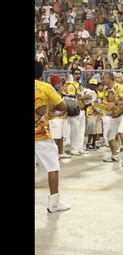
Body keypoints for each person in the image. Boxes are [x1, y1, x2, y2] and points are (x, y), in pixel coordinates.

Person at [35, 61, 71, 213]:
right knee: (53, 168)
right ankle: (54, 203)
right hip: (40, 135)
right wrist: (50, 108)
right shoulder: (45, 87)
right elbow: (63, 106)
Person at [101, 72, 123, 166]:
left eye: (103, 78)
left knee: (121, 131)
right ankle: (114, 156)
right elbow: (107, 105)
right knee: (110, 136)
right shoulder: (105, 90)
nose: (102, 80)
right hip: (114, 116)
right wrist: (100, 108)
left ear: (109, 79)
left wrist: (114, 104)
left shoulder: (120, 88)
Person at [67, 68, 91, 156]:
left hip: (81, 109)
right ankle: (74, 149)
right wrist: (84, 97)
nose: (78, 75)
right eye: (76, 73)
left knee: (81, 130)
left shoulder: (80, 85)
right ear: (72, 75)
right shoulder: (71, 85)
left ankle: (80, 147)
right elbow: (71, 98)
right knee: (75, 131)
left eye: (79, 73)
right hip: (74, 110)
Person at [48, 76, 71, 159]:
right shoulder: (52, 92)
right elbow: (51, 107)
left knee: (60, 136)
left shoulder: (59, 91)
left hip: (61, 117)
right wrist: (58, 112)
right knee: (55, 137)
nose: (61, 83)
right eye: (59, 82)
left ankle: (61, 152)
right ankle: (53, 155)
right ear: (55, 83)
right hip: (54, 117)